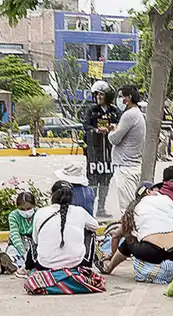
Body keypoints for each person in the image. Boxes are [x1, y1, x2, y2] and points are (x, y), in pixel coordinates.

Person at [99, 183, 173, 274]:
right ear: (148, 191)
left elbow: (115, 236)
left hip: (151, 253)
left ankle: (109, 268)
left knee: (130, 239)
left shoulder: (135, 208)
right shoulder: (167, 199)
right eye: (155, 189)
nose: (159, 191)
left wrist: (112, 256)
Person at [28, 181, 99, 272]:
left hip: (44, 265)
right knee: (91, 231)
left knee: (35, 236)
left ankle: (27, 267)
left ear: (52, 195)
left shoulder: (40, 212)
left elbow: (36, 240)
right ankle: (87, 267)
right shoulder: (80, 211)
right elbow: (95, 226)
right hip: (77, 263)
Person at [82, 80, 120, 218]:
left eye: (101, 94)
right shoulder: (91, 111)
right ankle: (90, 208)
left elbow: (120, 125)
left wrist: (113, 128)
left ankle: (101, 208)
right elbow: (86, 126)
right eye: (97, 94)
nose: (98, 97)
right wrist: (97, 130)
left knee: (106, 180)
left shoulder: (115, 111)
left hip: (109, 151)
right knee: (93, 180)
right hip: (94, 152)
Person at [107, 85, 145, 217]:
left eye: (120, 96)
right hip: (132, 165)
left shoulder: (129, 115)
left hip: (126, 168)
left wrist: (111, 131)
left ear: (128, 98)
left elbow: (115, 138)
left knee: (127, 209)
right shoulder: (136, 114)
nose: (118, 100)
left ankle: (131, 236)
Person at [2, 191, 36, 273]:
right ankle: (9, 263)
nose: (26, 211)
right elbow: (15, 235)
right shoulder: (13, 215)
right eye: (22, 209)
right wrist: (23, 252)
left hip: (33, 243)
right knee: (12, 252)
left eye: (29, 208)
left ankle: (13, 265)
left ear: (34, 206)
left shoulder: (39, 214)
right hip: (18, 244)